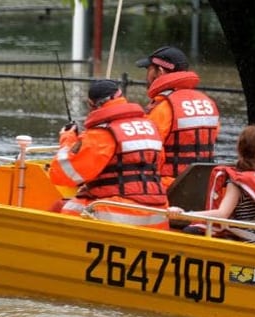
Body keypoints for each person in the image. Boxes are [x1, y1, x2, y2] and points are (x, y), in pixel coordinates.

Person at [49, 79, 169, 229]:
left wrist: (67, 139)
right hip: (157, 214)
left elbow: (62, 174)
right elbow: (158, 164)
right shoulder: (149, 127)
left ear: (91, 105)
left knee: (66, 206)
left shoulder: (101, 133)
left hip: (117, 214)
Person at [168, 124, 255, 247]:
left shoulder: (237, 181)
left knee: (190, 230)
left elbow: (222, 214)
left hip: (250, 243)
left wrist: (186, 214)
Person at [136, 45, 220, 190]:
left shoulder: (163, 108)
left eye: (148, 70)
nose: (146, 76)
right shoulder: (208, 102)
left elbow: (145, 154)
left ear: (160, 71)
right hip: (204, 186)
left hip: (169, 187)